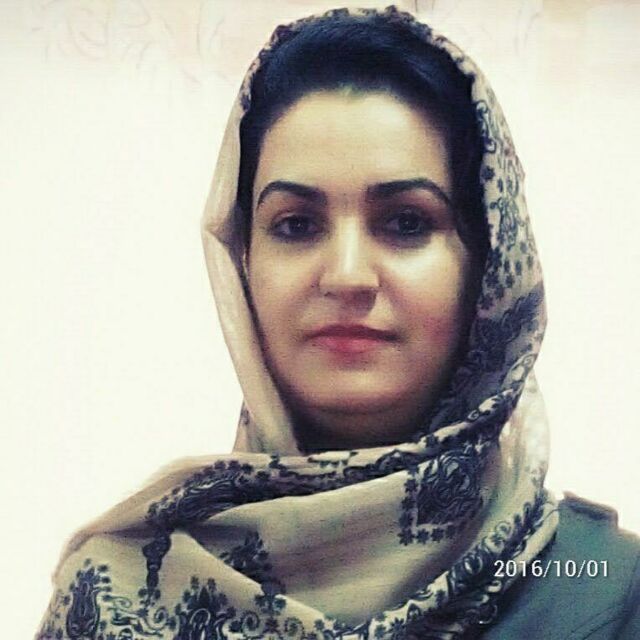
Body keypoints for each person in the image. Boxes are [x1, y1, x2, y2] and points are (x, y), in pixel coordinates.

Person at [36, 6, 639, 640]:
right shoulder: (114, 593)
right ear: (242, 263)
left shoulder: (605, 591)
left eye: (407, 222)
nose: (348, 275)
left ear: (487, 268)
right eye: (297, 225)